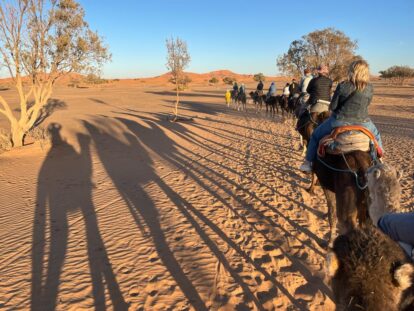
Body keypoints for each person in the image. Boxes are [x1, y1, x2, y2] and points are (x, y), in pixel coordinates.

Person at [299, 60, 383, 172]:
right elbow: (366, 105)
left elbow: (333, 107)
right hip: (363, 122)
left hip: (339, 121)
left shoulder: (343, 85)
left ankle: (308, 162)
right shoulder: (370, 88)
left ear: (352, 71)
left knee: (315, 136)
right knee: (376, 135)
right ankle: (380, 159)